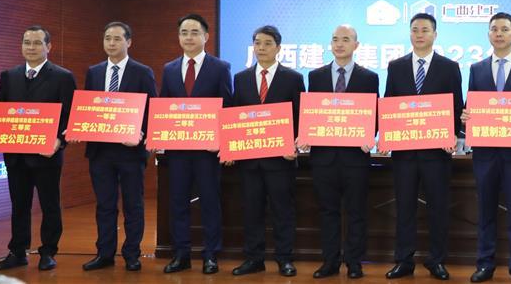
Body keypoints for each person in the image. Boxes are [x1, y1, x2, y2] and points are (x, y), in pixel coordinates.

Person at [71, 21, 157, 272]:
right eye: (107, 38)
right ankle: (104, 253)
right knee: (105, 205)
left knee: (133, 205)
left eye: (117, 39)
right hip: (100, 152)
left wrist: (142, 135)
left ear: (128, 42)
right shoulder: (94, 72)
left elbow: (152, 110)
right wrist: (77, 128)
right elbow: (89, 108)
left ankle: (132, 254)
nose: (111, 43)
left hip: (130, 151)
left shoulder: (143, 72)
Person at [383, 13, 464, 281]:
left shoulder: (449, 67)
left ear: (435, 35)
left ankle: (436, 260)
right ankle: (404, 260)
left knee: (438, 208)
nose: (419, 34)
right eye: (415, 30)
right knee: (404, 208)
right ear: (410, 34)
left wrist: (453, 135)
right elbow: (389, 105)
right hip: (404, 153)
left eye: (425, 30)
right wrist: (386, 136)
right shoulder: (395, 67)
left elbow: (456, 106)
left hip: (436, 153)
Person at [462, 12, 511, 284]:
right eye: (494, 29)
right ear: (488, 34)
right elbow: (471, 106)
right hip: (485, 153)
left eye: (505, 29)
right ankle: (485, 264)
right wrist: (466, 116)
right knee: (485, 211)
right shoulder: (477, 69)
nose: (499, 33)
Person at [0, 26, 76, 272]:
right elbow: (0, 110)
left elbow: (70, 115)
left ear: (48, 47)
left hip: (47, 155)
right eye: (27, 42)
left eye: (37, 43)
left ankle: (48, 251)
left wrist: (59, 141)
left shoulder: (63, 77)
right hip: (16, 155)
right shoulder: (9, 75)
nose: (31, 47)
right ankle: (18, 251)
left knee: (50, 205)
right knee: (19, 205)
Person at [301, 24, 379, 280]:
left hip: (355, 158)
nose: (339, 44)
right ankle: (330, 262)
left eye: (345, 39)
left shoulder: (369, 77)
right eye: (335, 39)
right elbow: (312, 113)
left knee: (356, 213)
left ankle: (354, 262)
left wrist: (370, 135)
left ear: (356, 45)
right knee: (328, 212)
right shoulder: (316, 76)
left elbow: (374, 114)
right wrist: (306, 134)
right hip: (324, 158)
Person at [228, 25, 305, 277]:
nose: (261, 48)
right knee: (252, 210)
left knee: (283, 211)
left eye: (267, 43)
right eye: (257, 43)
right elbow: (234, 116)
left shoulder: (293, 78)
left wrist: (295, 143)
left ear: (278, 48)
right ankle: (254, 259)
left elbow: (301, 117)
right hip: (249, 160)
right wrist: (230, 147)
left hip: (280, 160)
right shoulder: (240, 78)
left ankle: (284, 259)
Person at [159, 14, 232, 275]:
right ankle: (181, 254)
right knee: (177, 202)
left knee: (210, 202)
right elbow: (164, 107)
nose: (188, 37)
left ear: (206, 36)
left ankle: (211, 255)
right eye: (184, 32)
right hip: (178, 151)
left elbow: (227, 107)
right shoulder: (169, 69)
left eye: (194, 32)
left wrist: (223, 141)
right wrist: (159, 137)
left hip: (207, 152)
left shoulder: (220, 68)